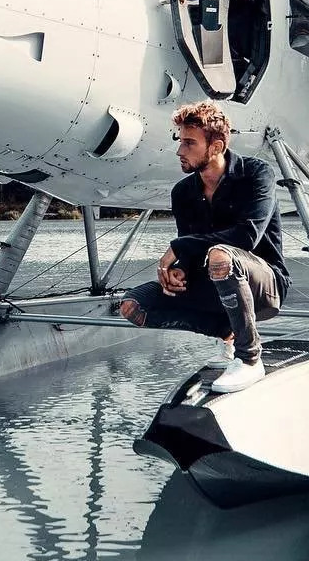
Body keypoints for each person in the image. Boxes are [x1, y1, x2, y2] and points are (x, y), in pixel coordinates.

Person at [119, 101, 289, 393]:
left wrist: (179, 247)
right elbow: (189, 246)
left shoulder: (257, 174)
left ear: (216, 146)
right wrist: (180, 269)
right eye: (180, 141)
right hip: (214, 286)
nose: (179, 151)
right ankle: (227, 333)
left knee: (222, 256)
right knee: (133, 306)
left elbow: (247, 237)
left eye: (189, 143)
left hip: (264, 285)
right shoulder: (183, 192)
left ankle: (249, 358)